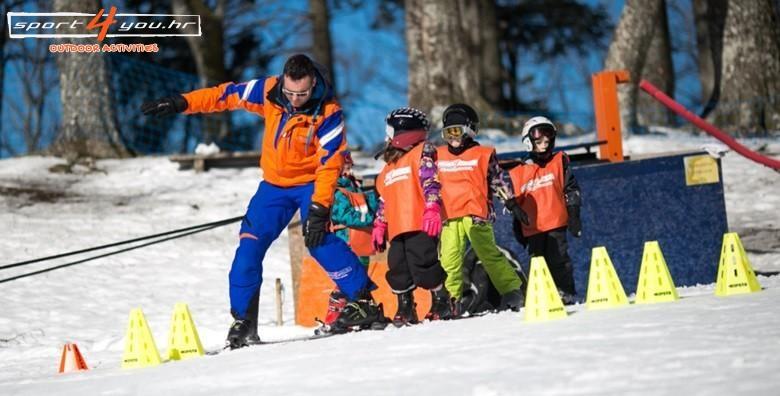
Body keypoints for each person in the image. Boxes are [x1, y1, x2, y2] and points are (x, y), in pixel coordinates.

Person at [141, 54, 385, 347]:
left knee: (318, 239)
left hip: (311, 183)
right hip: (273, 187)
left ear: (313, 85)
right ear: (283, 82)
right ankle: (243, 321)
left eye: (303, 94)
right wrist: (182, 102)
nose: (295, 100)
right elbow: (225, 95)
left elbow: (331, 162)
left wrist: (320, 207)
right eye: (290, 93)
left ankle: (363, 302)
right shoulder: (269, 90)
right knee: (249, 247)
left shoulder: (328, 110)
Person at [436, 104, 529, 315]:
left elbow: (497, 181)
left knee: (488, 254)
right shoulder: (437, 156)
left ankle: (513, 291)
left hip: (475, 214)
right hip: (450, 216)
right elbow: (427, 183)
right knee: (449, 259)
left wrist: (511, 202)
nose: (452, 138)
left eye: (457, 131)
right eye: (447, 133)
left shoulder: (482, 154)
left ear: (469, 131)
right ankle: (451, 300)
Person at [372, 107, 454, 327]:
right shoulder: (389, 167)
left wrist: (432, 207)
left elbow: (431, 181)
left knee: (423, 265)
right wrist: (380, 224)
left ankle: (442, 300)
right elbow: (384, 199)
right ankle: (406, 307)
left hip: (420, 222)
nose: (386, 136)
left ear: (402, 132)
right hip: (397, 226)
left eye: (389, 131)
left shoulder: (422, 153)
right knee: (398, 267)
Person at [507, 116, 582, 304]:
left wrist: (574, 214)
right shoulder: (518, 170)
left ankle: (566, 293)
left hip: (556, 224)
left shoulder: (559, 161)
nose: (544, 145)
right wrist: (516, 222)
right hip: (533, 228)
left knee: (560, 261)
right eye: (539, 142)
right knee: (537, 264)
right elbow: (511, 198)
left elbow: (571, 189)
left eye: (547, 142)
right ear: (528, 143)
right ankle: (540, 297)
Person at [321, 150, 379, 327]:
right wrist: (370, 216)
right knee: (349, 279)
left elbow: (362, 203)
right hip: (346, 240)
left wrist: (375, 201)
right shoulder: (334, 190)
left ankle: (364, 312)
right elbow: (344, 215)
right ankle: (335, 315)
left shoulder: (353, 186)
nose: (349, 168)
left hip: (361, 241)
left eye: (349, 165)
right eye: (345, 165)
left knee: (361, 278)